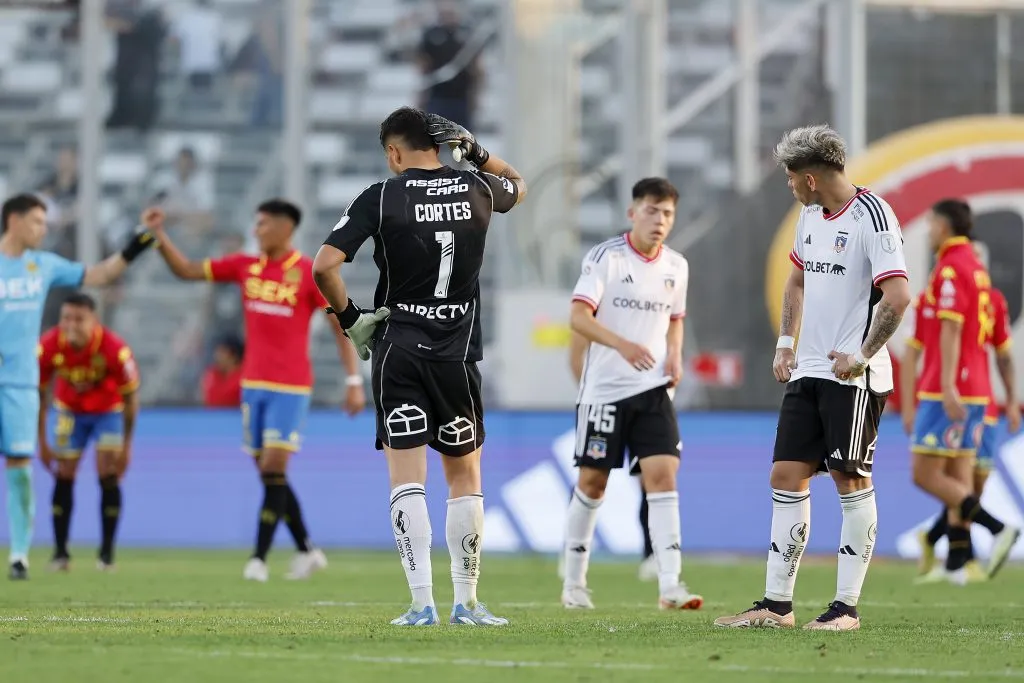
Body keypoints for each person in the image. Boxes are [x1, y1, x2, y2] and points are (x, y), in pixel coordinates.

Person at [312, 107, 526, 626]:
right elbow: (517, 184)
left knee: (406, 478)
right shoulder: (478, 186)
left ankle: (419, 603)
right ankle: (467, 603)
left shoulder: (380, 197)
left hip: (399, 351)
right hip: (457, 352)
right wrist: (476, 152)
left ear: (393, 151)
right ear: (440, 145)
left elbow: (323, 266)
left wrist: (350, 318)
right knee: (465, 475)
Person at [714, 125, 912, 631]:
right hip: (808, 370)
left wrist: (862, 355)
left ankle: (846, 608)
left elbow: (897, 296)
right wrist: (786, 344)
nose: (787, 185)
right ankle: (776, 605)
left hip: (854, 378)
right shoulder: (808, 216)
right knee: (786, 476)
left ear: (808, 178)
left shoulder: (874, 216)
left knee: (850, 480)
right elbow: (797, 280)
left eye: (788, 176)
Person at [142, 198, 365, 581]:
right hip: (253, 387)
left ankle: (258, 559)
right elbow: (186, 271)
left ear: (285, 228)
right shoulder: (246, 267)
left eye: (263, 224)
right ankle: (307, 550)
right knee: (268, 473)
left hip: (291, 386)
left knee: (274, 465)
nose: (256, 230)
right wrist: (158, 236)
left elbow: (340, 328)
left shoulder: (308, 273)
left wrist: (353, 381)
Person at [559, 178, 700, 611]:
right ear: (633, 212)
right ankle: (575, 583)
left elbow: (675, 318)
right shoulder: (606, 258)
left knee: (663, 477)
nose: (660, 221)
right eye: (652, 210)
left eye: (668, 214)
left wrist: (674, 354)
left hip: (654, 389)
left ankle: (670, 584)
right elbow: (578, 318)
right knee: (593, 483)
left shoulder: (677, 266)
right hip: (604, 392)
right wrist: (621, 344)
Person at [0, 193, 154, 580]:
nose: (44, 227)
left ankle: (19, 556)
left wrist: (136, 244)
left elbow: (100, 274)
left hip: (19, 385)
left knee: (19, 467)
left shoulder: (43, 265)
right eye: (37, 220)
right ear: (14, 221)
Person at [899, 203, 1020, 585]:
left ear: (944, 225)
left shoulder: (951, 271)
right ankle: (955, 560)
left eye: (932, 221)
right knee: (961, 478)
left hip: (946, 390)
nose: (930, 228)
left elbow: (952, 333)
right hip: (976, 393)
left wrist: (947, 384)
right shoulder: (979, 278)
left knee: (927, 474)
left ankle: (993, 528)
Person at [38, 293, 140, 571]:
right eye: (66, 318)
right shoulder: (48, 345)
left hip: (107, 412)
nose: (71, 325)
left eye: (78, 319)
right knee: (64, 474)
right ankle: (60, 554)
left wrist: (127, 446)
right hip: (68, 411)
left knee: (108, 472)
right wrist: (42, 442)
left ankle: (106, 555)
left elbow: (131, 398)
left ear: (94, 321)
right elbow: (38, 393)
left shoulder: (114, 349)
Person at [564, 331, 659, 584]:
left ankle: (652, 555)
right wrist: (593, 394)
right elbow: (575, 357)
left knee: (651, 480)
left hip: (643, 405)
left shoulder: (645, 308)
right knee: (590, 479)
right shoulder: (593, 305)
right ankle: (573, 553)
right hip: (603, 403)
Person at [202, 336, 244, 407]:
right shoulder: (213, 375)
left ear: (234, 356)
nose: (217, 356)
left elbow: (221, 398)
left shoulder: (243, 379)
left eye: (222, 352)